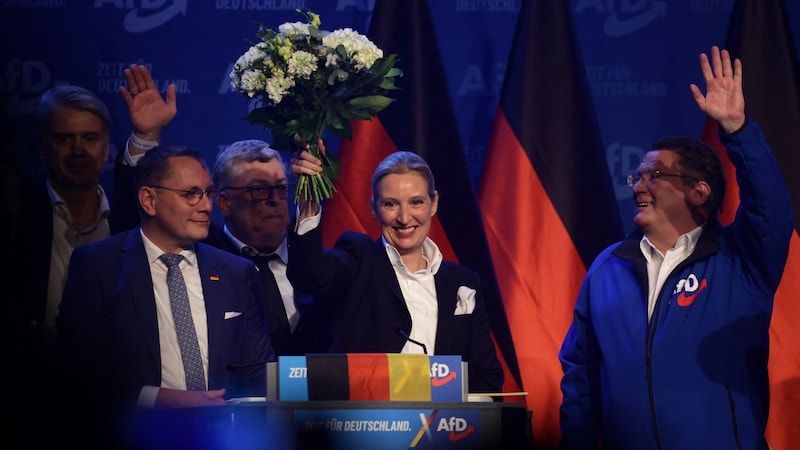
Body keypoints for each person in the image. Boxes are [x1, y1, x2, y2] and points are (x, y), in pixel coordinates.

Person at [558, 46, 793, 449]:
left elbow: (773, 209)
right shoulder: (608, 269)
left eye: (655, 175)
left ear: (699, 192)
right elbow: (581, 375)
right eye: (638, 175)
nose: (637, 185)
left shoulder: (740, 260)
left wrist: (738, 130)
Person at [56, 144, 275, 445]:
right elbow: (77, 369)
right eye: (190, 195)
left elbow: (258, 373)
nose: (206, 206)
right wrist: (154, 400)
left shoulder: (236, 272)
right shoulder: (98, 266)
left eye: (208, 193)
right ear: (149, 200)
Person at [288, 149, 504, 393]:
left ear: (433, 203)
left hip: (441, 427)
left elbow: (486, 376)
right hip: (364, 424)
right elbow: (310, 276)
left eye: (416, 202)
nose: (404, 217)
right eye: (391, 204)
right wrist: (308, 201)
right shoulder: (358, 259)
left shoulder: (463, 283)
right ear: (374, 208)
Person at [207, 139, 333, 355]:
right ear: (225, 203)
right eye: (259, 190)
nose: (275, 199)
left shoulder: (320, 266)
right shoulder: (204, 263)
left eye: (281, 188)